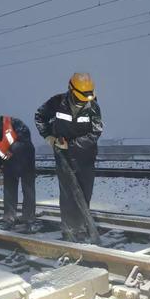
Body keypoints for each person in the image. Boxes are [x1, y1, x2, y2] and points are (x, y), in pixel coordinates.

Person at [35, 73, 102, 241]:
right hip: (63, 156)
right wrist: (48, 136)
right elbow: (40, 116)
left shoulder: (93, 106)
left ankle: (80, 227)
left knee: (84, 193)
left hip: (86, 156)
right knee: (67, 195)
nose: (85, 100)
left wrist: (71, 145)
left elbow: (95, 133)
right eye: (81, 96)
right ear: (71, 89)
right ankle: (69, 229)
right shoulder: (57, 102)